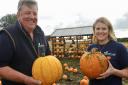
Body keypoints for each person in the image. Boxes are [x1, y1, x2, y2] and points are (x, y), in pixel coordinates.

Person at [0, 0, 51, 85]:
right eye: (27, 13)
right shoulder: (7, 35)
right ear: (18, 15)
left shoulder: (40, 32)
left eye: (35, 14)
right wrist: (25, 79)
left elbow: (48, 55)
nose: (32, 17)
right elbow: (1, 67)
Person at [87, 17, 128, 85]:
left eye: (104, 28)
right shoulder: (91, 48)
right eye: (98, 29)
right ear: (94, 31)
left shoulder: (119, 48)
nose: (100, 31)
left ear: (109, 30)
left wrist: (113, 71)